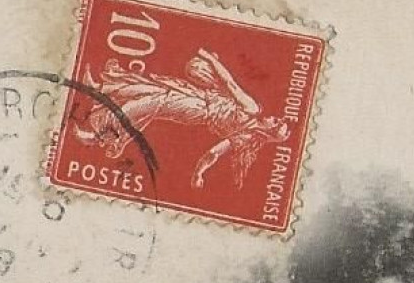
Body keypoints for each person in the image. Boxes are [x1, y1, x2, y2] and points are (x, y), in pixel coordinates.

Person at [74, 49, 294, 189]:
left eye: (276, 123)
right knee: (153, 89)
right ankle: (100, 89)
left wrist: (209, 57)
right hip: (198, 99)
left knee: (153, 101)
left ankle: (99, 134)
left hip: (198, 108)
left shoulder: (251, 111)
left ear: (269, 131)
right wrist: (199, 173)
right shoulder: (246, 136)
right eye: (278, 119)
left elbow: (230, 83)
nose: (273, 118)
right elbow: (213, 153)